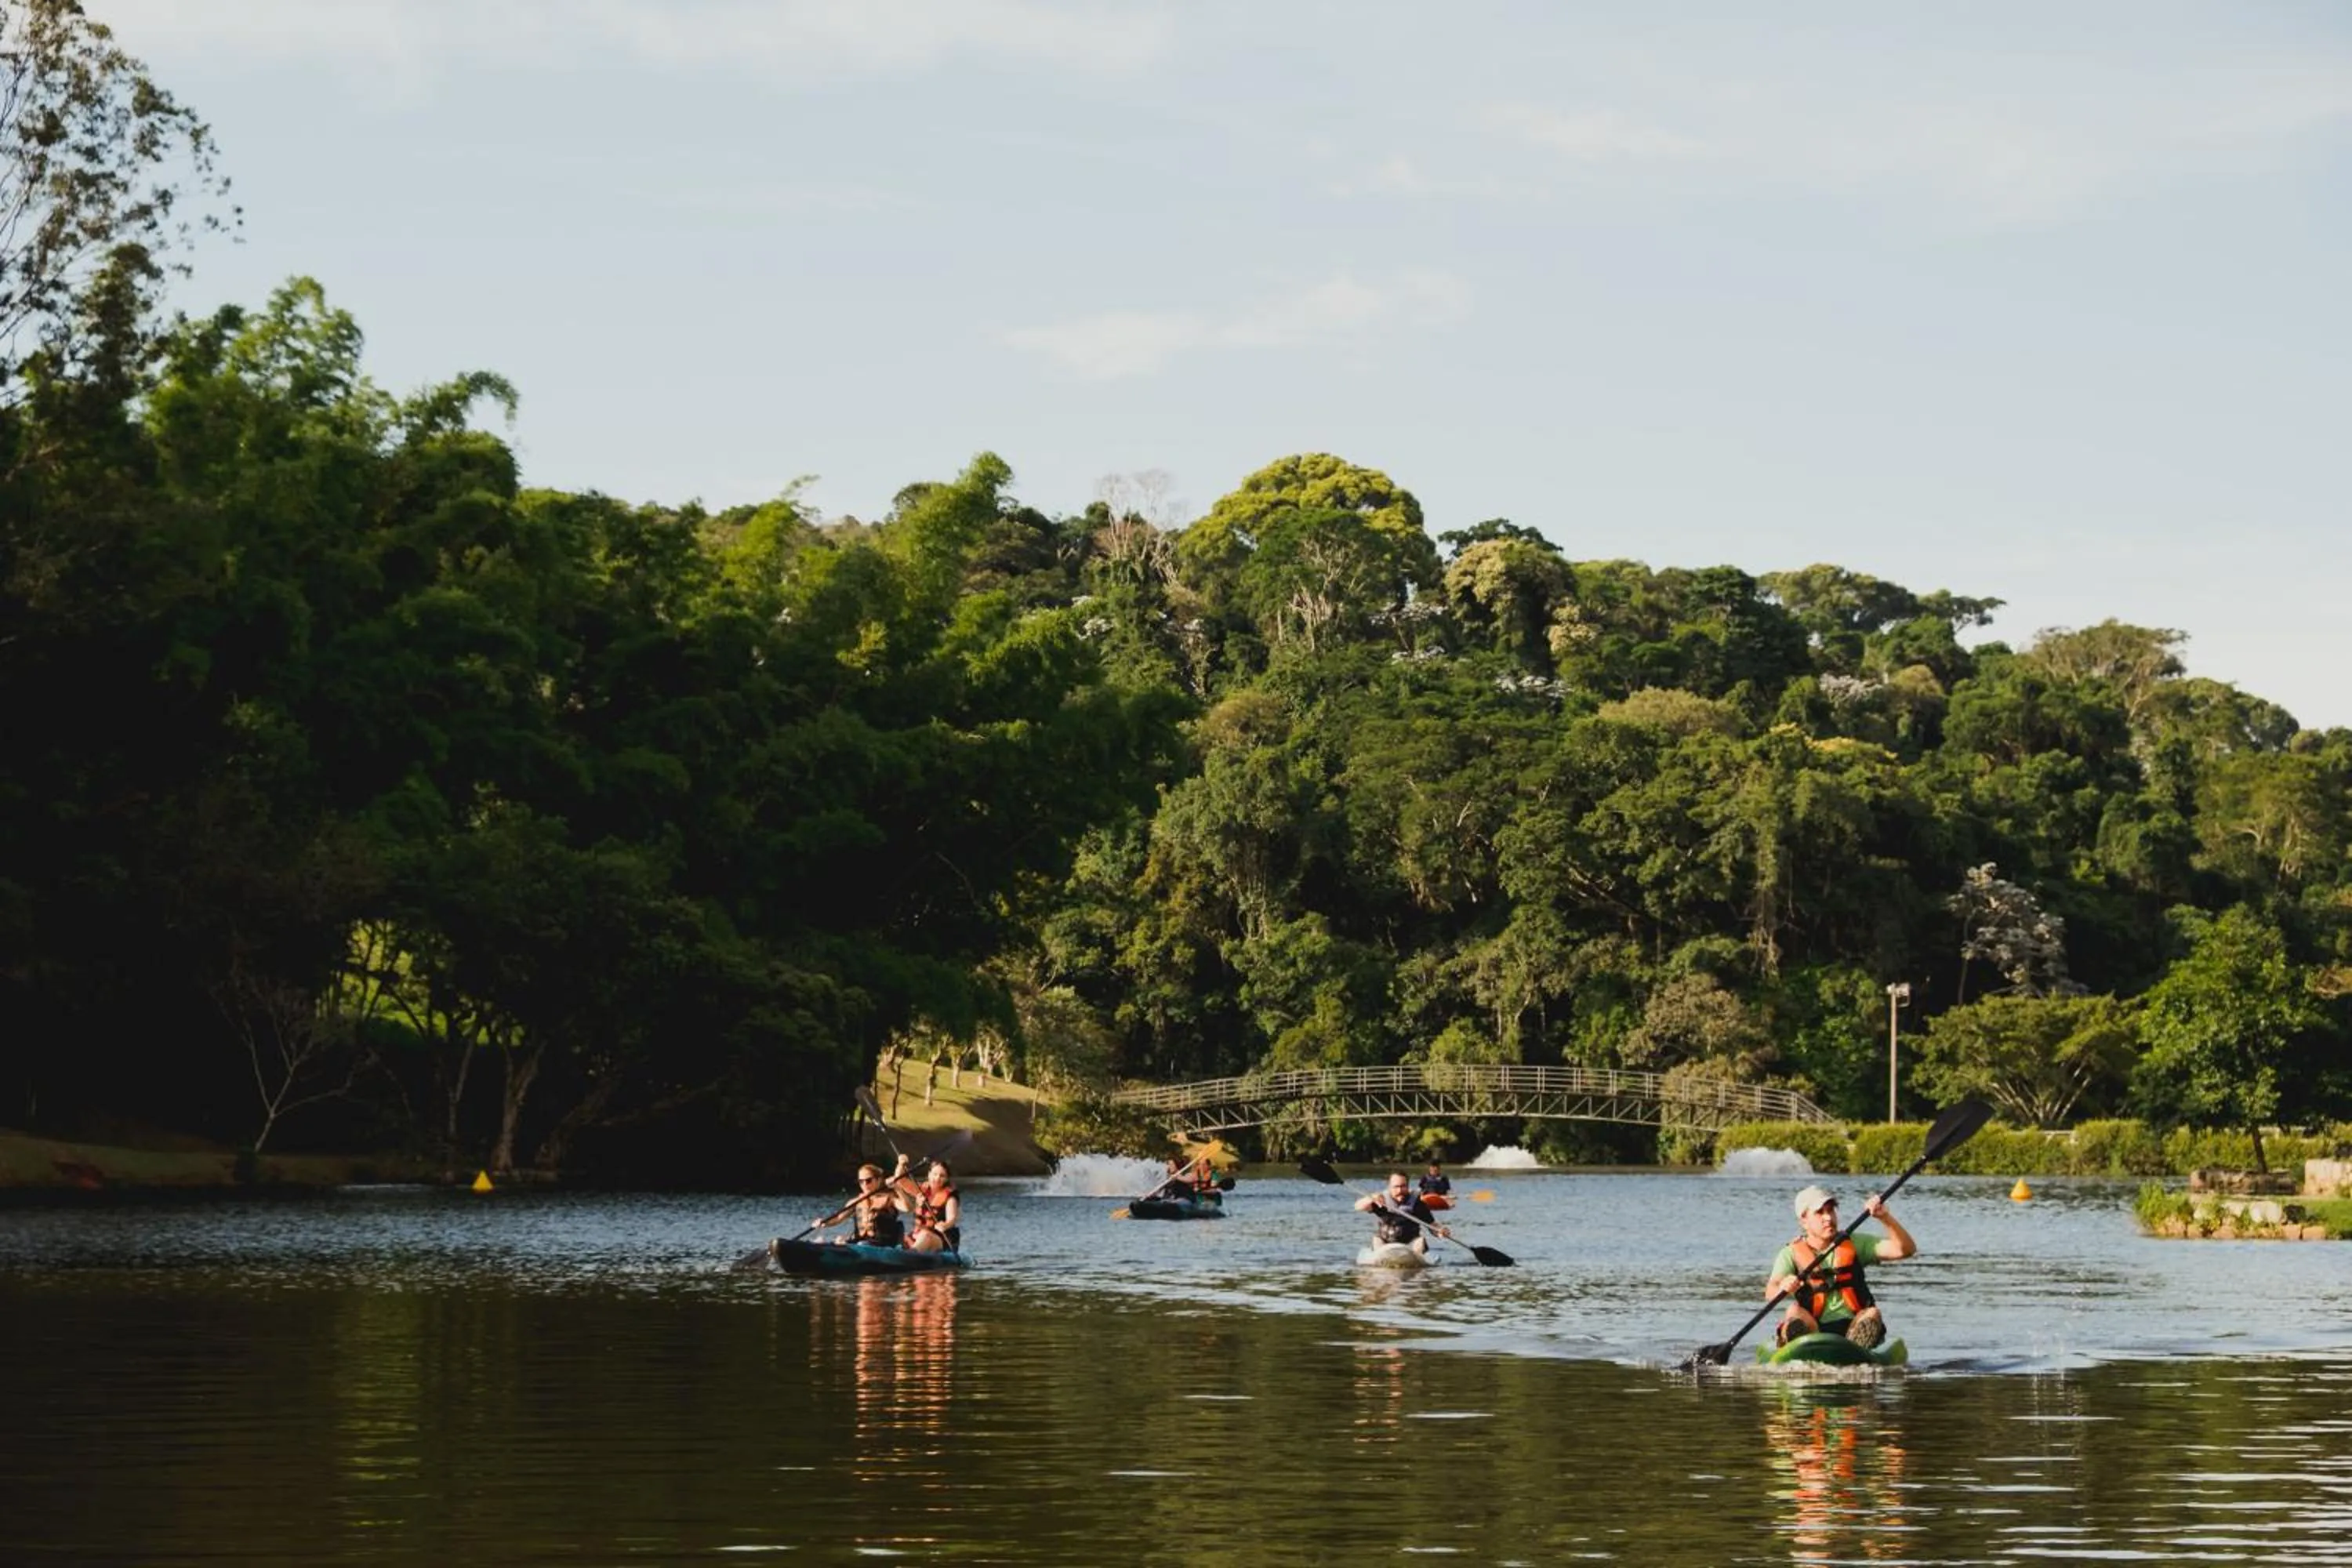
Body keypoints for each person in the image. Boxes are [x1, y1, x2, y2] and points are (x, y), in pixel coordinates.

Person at [1766, 1184, 1914, 1348]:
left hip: (1853, 1325)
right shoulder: (1790, 1253)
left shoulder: (1855, 1243)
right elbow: (1770, 1292)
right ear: (1804, 1221)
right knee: (1793, 1311)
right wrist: (1784, 1286)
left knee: (1872, 1313)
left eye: (1831, 1211)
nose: (1828, 1218)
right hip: (1814, 1327)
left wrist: (1885, 1218)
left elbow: (1905, 1250)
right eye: (1820, 1212)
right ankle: (1801, 1344)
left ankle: (1856, 1348)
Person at [810, 1157, 911, 1247]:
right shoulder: (856, 1202)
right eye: (861, 1181)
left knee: (860, 1244)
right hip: (860, 1243)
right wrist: (824, 1222)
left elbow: (908, 1208)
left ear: (878, 1180)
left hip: (882, 1244)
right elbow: (838, 1218)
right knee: (839, 1241)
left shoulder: (889, 1199)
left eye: (868, 1181)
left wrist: (898, 1189)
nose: (864, 1185)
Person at [1356, 1170, 1448, 1258]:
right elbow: (1358, 1207)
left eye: (1403, 1186)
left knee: (1420, 1242)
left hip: (1410, 1245)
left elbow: (1432, 1225)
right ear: (1389, 1187)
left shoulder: (1417, 1204)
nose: (1400, 1191)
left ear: (1407, 1187)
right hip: (1385, 1244)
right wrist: (1372, 1198)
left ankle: (1416, 1264)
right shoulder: (1381, 1201)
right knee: (1376, 1240)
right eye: (1396, 1187)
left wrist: (1441, 1231)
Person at [900, 1158, 961, 1254]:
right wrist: (900, 1165)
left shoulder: (950, 1197)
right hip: (918, 1235)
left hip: (941, 1240)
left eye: (942, 1176)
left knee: (926, 1235)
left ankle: (910, 1255)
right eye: (935, 1174)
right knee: (902, 1236)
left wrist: (945, 1225)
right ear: (929, 1175)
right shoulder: (921, 1190)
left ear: (947, 1179)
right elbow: (901, 1181)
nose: (937, 1178)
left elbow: (952, 1219)